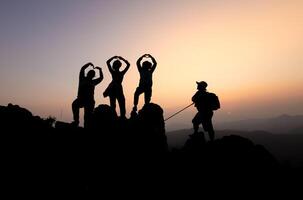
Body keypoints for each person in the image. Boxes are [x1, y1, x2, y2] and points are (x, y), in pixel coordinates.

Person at [72, 62, 103, 127]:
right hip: (81, 99)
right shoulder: (82, 78)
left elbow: (101, 78)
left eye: (92, 74)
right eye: (90, 73)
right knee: (74, 105)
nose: (91, 74)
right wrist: (88, 64)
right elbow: (82, 69)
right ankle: (76, 121)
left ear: (93, 76)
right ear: (88, 73)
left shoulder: (93, 81)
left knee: (87, 117)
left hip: (90, 101)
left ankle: (86, 126)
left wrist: (100, 70)